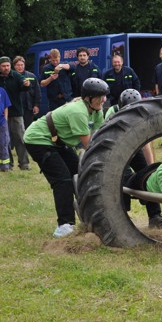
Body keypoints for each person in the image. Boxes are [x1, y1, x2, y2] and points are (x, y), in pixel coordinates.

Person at [24, 78, 108, 238]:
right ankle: (64, 225)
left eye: (104, 96)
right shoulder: (78, 111)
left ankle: (91, 216)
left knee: (81, 174)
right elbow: (90, 146)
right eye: (99, 96)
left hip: (59, 142)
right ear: (88, 98)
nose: (103, 100)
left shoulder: (97, 111)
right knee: (63, 181)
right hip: (38, 140)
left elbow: (100, 136)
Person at [105, 89, 162, 228]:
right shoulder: (112, 113)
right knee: (123, 178)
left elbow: (145, 143)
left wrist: (151, 170)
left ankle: (155, 216)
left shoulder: (142, 112)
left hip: (134, 148)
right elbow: (110, 142)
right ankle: (121, 216)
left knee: (148, 175)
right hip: (115, 149)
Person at [13, 56, 41, 129]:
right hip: (16, 107)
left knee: (28, 127)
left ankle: (26, 140)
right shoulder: (11, 77)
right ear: (14, 66)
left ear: (24, 65)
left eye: (22, 65)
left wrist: (36, 105)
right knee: (17, 128)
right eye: (18, 65)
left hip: (29, 107)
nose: (20, 67)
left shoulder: (31, 76)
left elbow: (37, 91)